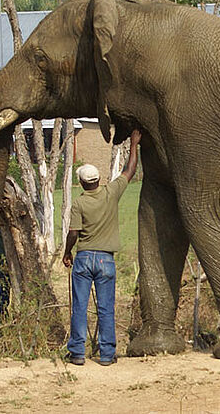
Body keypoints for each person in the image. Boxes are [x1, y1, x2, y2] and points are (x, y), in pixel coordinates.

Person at [63, 129, 142, 366]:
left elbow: (73, 233)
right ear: (98, 180)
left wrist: (67, 252)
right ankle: (107, 354)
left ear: (81, 182)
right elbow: (130, 170)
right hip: (106, 260)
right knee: (106, 308)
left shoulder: (79, 203)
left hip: (84, 257)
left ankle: (77, 352)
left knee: (79, 305)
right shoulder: (111, 193)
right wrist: (134, 144)